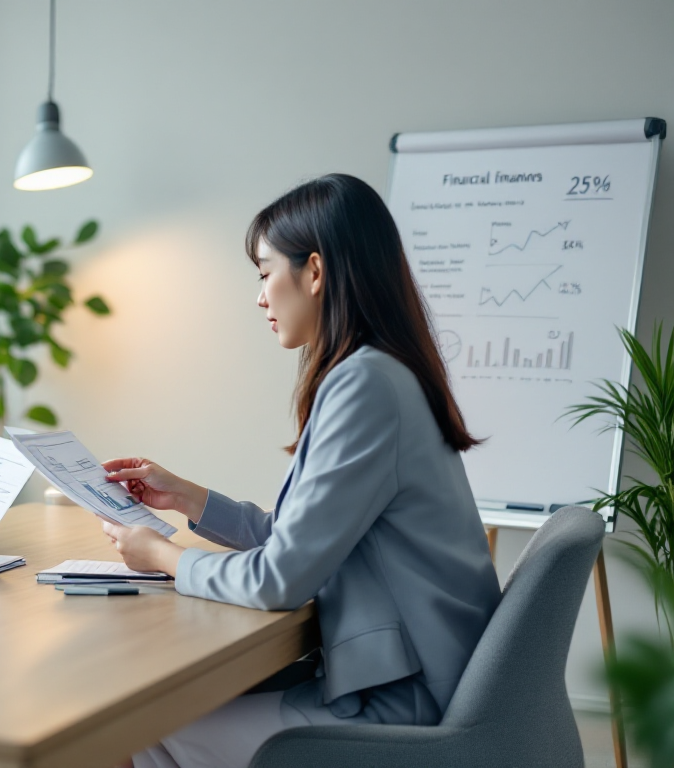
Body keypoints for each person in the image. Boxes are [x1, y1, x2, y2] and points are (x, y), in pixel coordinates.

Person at [100, 174, 502, 768]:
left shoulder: (364, 385)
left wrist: (161, 557)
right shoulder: (382, 371)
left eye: (265, 273)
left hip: (406, 703)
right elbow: (294, 540)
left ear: (314, 272)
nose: (260, 297)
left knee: (132, 729)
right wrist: (186, 498)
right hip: (414, 675)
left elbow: (279, 579)